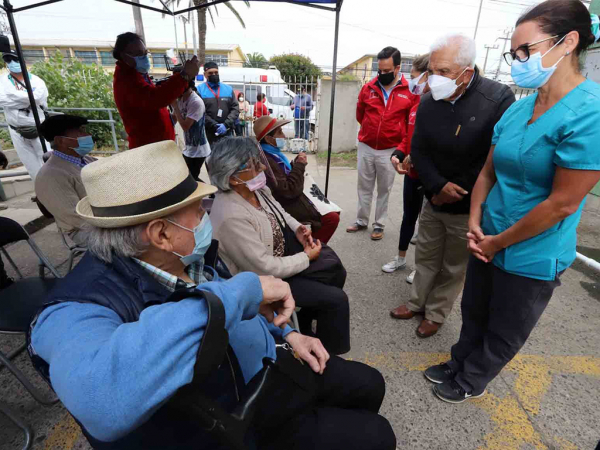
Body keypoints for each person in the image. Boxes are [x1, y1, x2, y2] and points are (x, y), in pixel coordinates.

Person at [28, 140, 395, 450]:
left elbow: (237, 310)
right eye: (198, 211)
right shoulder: (74, 308)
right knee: (376, 436)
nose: (208, 216)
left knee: (369, 384)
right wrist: (244, 289)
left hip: (273, 368)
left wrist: (288, 334)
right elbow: (99, 398)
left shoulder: (188, 255)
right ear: (161, 234)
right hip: (235, 419)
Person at [425, 0, 600, 403]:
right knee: (475, 310)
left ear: (568, 42)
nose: (519, 60)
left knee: (506, 325)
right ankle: (459, 361)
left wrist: (498, 242)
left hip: (533, 250)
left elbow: (562, 204)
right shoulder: (520, 109)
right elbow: (488, 171)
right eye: (514, 53)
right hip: (487, 237)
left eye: (526, 51)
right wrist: (475, 218)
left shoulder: (589, 114)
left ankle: (473, 379)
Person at [391, 34, 516, 339]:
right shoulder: (428, 100)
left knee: (454, 266)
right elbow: (418, 148)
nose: (435, 78)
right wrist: (437, 186)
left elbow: (493, 157)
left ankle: (436, 313)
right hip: (433, 196)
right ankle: (416, 302)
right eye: (433, 70)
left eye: (444, 71)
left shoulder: (498, 99)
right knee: (427, 257)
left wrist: (455, 188)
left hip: (467, 204)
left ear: (467, 73)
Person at [208, 137, 350, 355]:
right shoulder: (231, 215)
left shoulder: (255, 190)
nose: (263, 167)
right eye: (255, 164)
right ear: (233, 178)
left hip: (282, 255)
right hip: (265, 278)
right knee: (337, 300)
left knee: (336, 271)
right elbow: (265, 268)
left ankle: (305, 318)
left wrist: (299, 229)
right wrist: (306, 257)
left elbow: (281, 213)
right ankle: (329, 356)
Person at [347, 46, 418, 241]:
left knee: (384, 189)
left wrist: (399, 145)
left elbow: (409, 122)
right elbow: (360, 114)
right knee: (364, 186)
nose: (383, 74)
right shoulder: (369, 87)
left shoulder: (409, 91)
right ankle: (361, 220)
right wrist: (371, 130)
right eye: (381, 70)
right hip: (367, 146)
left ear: (398, 68)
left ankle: (379, 224)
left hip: (391, 149)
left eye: (388, 71)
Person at [254, 116, 340, 244]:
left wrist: (295, 165)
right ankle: (311, 249)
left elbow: (284, 177)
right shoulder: (268, 160)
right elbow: (289, 191)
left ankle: (310, 244)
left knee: (333, 212)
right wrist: (299, 166)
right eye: (280, 132)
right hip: (285, 203)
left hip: (288, 197)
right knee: (331, 218)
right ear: (268, 138)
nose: (283, 136)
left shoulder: (273, 154)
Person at [112, 32, 200, 149]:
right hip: (149, 148)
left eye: (145, 53)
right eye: (139, 54)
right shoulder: (126, 79)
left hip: (158, 145)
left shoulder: (138, 73)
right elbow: (154, 99)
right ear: (124, 56)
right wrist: (183, 76)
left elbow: (152, 106)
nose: (144, 57)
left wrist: (170, 120)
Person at [383, 53, 429, 276]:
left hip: (431, 177)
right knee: (408, 218)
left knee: (428, 225)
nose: (412, 82)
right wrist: (399, 153)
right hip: (412, 174)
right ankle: (401, 259)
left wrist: (416, 157)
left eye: (415, 77)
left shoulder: (440, 107)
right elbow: (407, 137)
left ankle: (421, 268)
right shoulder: (415, 103)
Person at [35, 115, 96, 246]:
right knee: (143, 237)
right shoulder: (50, 176)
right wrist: (117, 223)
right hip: (86, 231)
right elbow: (75, 217)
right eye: (80, 131)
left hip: (109, 219)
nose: (88, 134)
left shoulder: (88, 161)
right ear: (61, 141)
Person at [0, 50, 48, 181]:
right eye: (8, 60)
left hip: (38, 128)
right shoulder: (2, 81)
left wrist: (14, 97)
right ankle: (41, 193)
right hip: (16, 130)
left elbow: (37, 98)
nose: (12, 63)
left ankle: (54, 189)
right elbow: (2, 99)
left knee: (48, 161)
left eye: (15, 60)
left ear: (23, 61)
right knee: (31, 166)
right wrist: (27, 98)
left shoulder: (37, 81)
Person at [171, 80, 211, 181]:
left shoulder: (196, 102)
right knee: (187, 177)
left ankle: (212, 192)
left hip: (199, 150)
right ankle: (211, 192)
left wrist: (175, 107)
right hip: (188, 148)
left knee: (190, 179)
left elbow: (185, 126)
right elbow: (173, 120)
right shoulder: (180, 99)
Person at [197, 62, 239, 146]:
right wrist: (214, 125)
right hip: (208, 133)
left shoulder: (228, 89)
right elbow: (199, 112)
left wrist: (226, 124)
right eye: (210, 73)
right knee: (211, 158)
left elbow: (235, 108)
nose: (214, 74)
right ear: (205, 74)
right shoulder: (199, 90)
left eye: (216, 72)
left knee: (228, 157)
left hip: (227, 131)